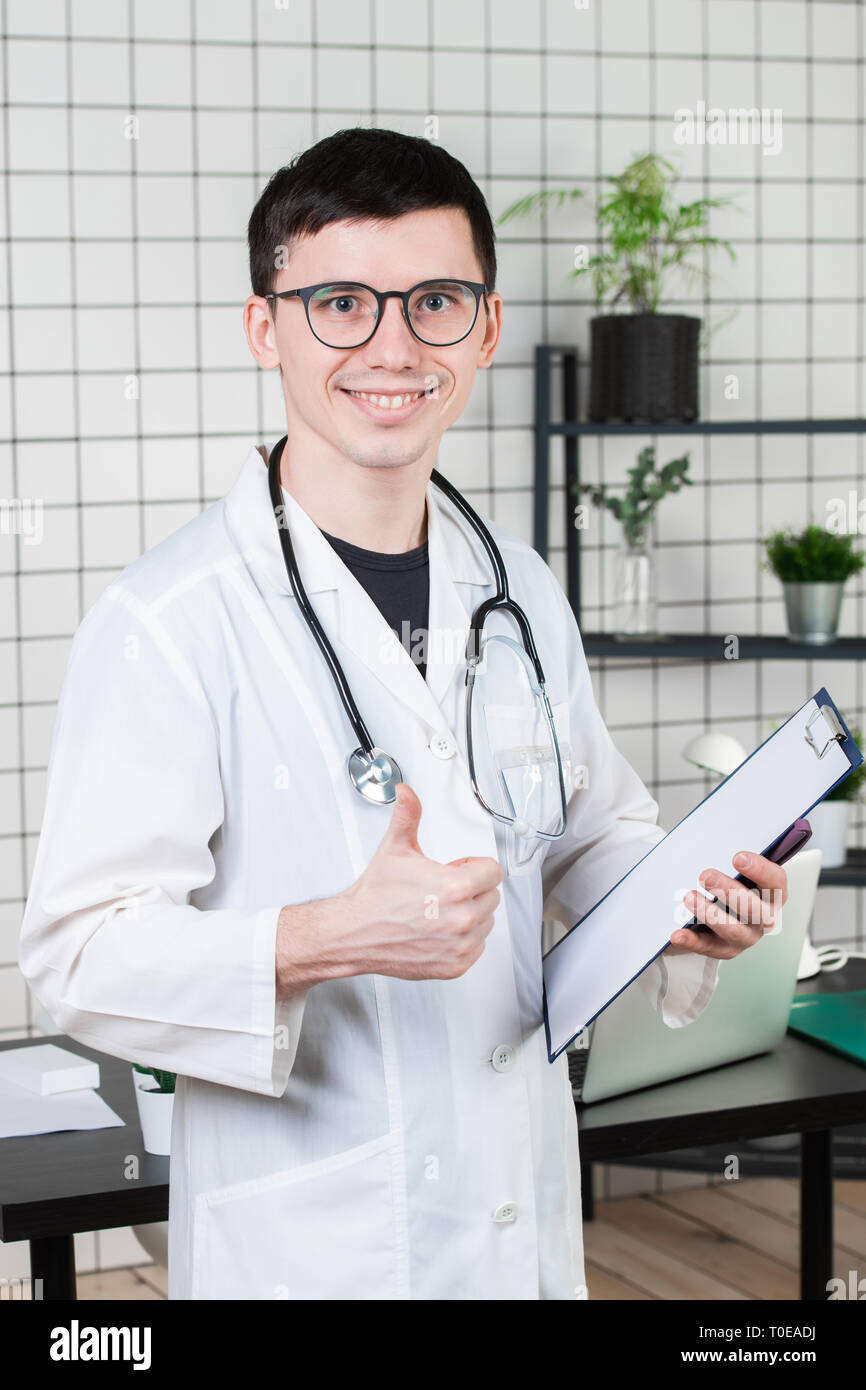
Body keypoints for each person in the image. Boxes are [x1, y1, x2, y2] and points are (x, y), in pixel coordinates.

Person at [18, 127, 786, 1301]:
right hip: (315, 1240)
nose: (389, 344)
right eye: (338, 302)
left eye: (432, 301)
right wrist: (326, 936)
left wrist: (683, 902)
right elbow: (73, 958)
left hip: (514, 1207)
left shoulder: (518, 588)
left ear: (480, 328)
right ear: (263, 327)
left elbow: (588, 833)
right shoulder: (168, 618)